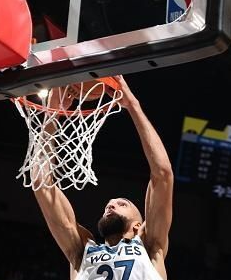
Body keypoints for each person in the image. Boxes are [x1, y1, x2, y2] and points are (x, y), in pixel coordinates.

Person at [32, 75, 173, 280]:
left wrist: (133, 105)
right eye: (114, 203)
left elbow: (163, 175)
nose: (110, 204)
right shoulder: (80, 251)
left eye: (121, 204)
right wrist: (53, 111)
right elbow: (41, 183)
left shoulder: (150, 247)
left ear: (137, 226)